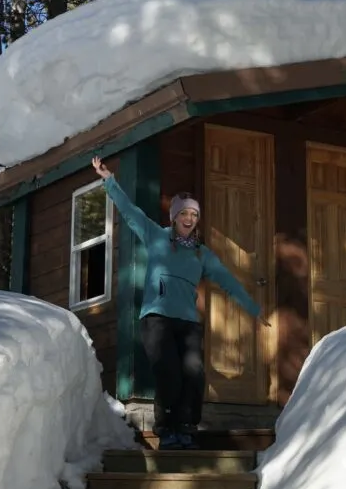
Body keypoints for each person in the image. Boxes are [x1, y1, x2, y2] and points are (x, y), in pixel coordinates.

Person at [92, 156, 270, 450]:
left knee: (194, 374)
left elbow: (228, 282)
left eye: (194, 215)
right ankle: (167, 430)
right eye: (184, 213)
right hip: (156, 318)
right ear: (174, 216)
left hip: (188, 322)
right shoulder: (156, 237)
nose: (189, 218)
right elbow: (129, 212)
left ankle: (186, 429)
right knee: (168, 373)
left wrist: (254, 309)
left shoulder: (202, 254)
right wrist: (108, 180)